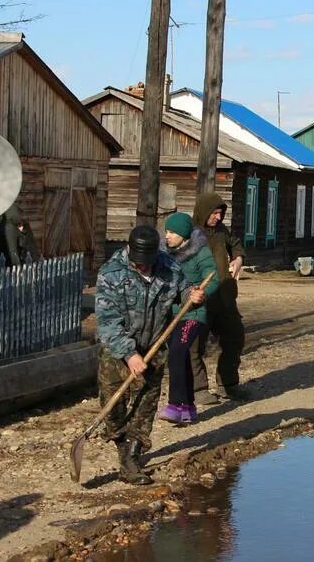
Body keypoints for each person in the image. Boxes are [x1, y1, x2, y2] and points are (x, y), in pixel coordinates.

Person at [95, 225, 205, 484]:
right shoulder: (111, 274)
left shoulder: (168, 267)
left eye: (147, 263)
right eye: (138, 263)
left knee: (145, 403)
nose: (142, 267)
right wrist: (129, 355)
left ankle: (131, 458)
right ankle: (121, 444)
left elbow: (185, 289)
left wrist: (194, 295)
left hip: (154, 344)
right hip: (117, 350)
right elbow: (108, 324)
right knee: (113, 405)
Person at [159, 213, 219, 425]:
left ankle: (175, 405)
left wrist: (200, 295)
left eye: (172, 232)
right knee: (181, 357)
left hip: (193, 313)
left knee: (176, 353)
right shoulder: (163, 253)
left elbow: (213, 279)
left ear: (184, 235)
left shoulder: (200, 252)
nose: (168, 236)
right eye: (166, 231)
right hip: (171, 314)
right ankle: (188, 407)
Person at [191, 193, 247, 404]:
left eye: (220, 213)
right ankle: (198, 389)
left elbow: (236, 244)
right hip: (200, 299)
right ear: (203, 212)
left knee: (234, 338)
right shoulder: (190, 234)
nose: (218, 217)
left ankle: (228, 384)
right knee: (194, 346)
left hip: (224, 296)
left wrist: (239, 258)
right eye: (213, 213)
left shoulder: (222, 231)